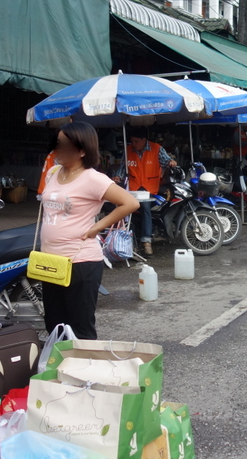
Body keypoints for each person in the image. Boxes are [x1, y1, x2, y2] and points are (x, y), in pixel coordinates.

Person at [39, 122, 138, 339]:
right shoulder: (53, 172)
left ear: (82, 150)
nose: (58, 148)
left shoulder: (93, 178)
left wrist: (97, 227)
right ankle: (61, 369)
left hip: (80, 261)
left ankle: (84, 371)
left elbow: (130, 203)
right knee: (55, 325)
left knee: (80, 327)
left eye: (64, 144)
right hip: (50, 260)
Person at [117, 132, 175, 256]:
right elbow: (122, 168)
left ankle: (146, 240)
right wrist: (117, 176)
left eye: (136, 141)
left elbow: (166, 160)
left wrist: (171, 162)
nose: (134, 144)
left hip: (150, 187)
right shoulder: (128, 150)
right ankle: (137, 241)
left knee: (145, 207)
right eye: (132, 141)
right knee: (129, 207)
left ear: (144, 140)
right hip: (133, 187)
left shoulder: (157, 149)